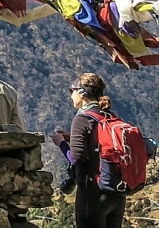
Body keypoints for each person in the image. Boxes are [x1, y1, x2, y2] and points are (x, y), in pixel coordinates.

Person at [55, 73, 126, 228]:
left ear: (82, 92)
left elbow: (76, 158)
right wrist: (72, 137)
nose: (70, 95)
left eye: (71, 90)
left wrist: (61, 143)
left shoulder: (81, 119)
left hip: (93, 195)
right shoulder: (108, 115)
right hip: (116, 194)